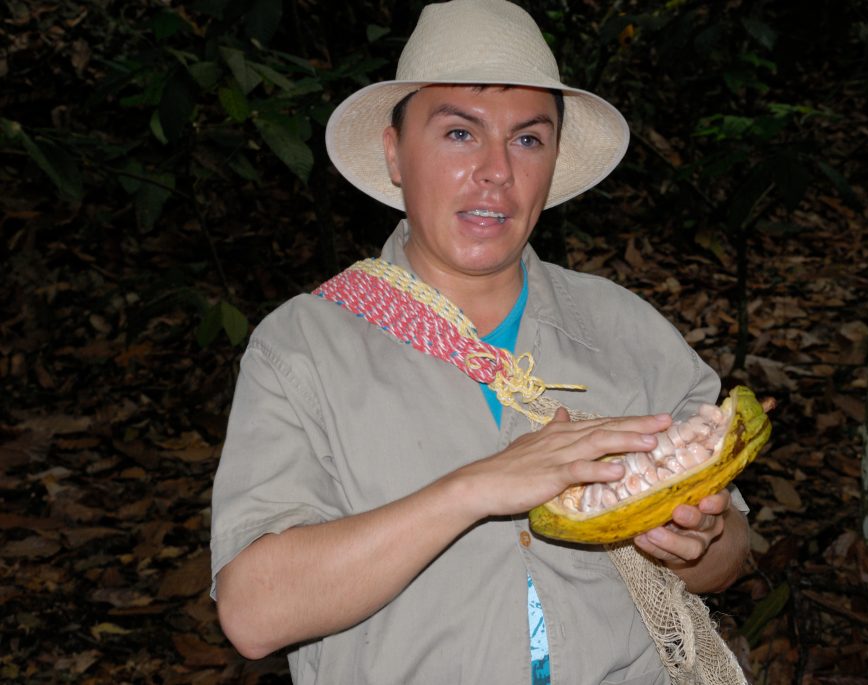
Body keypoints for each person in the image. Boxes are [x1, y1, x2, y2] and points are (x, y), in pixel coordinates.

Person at [210, 1, 751, 683]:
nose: (497, 170)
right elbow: (254, 614)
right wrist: (476, 486)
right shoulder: (304, 348)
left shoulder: (627, 331)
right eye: (460, 133)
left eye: (528, 139)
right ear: (393, 154)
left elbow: (730, 551)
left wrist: (697, 542)